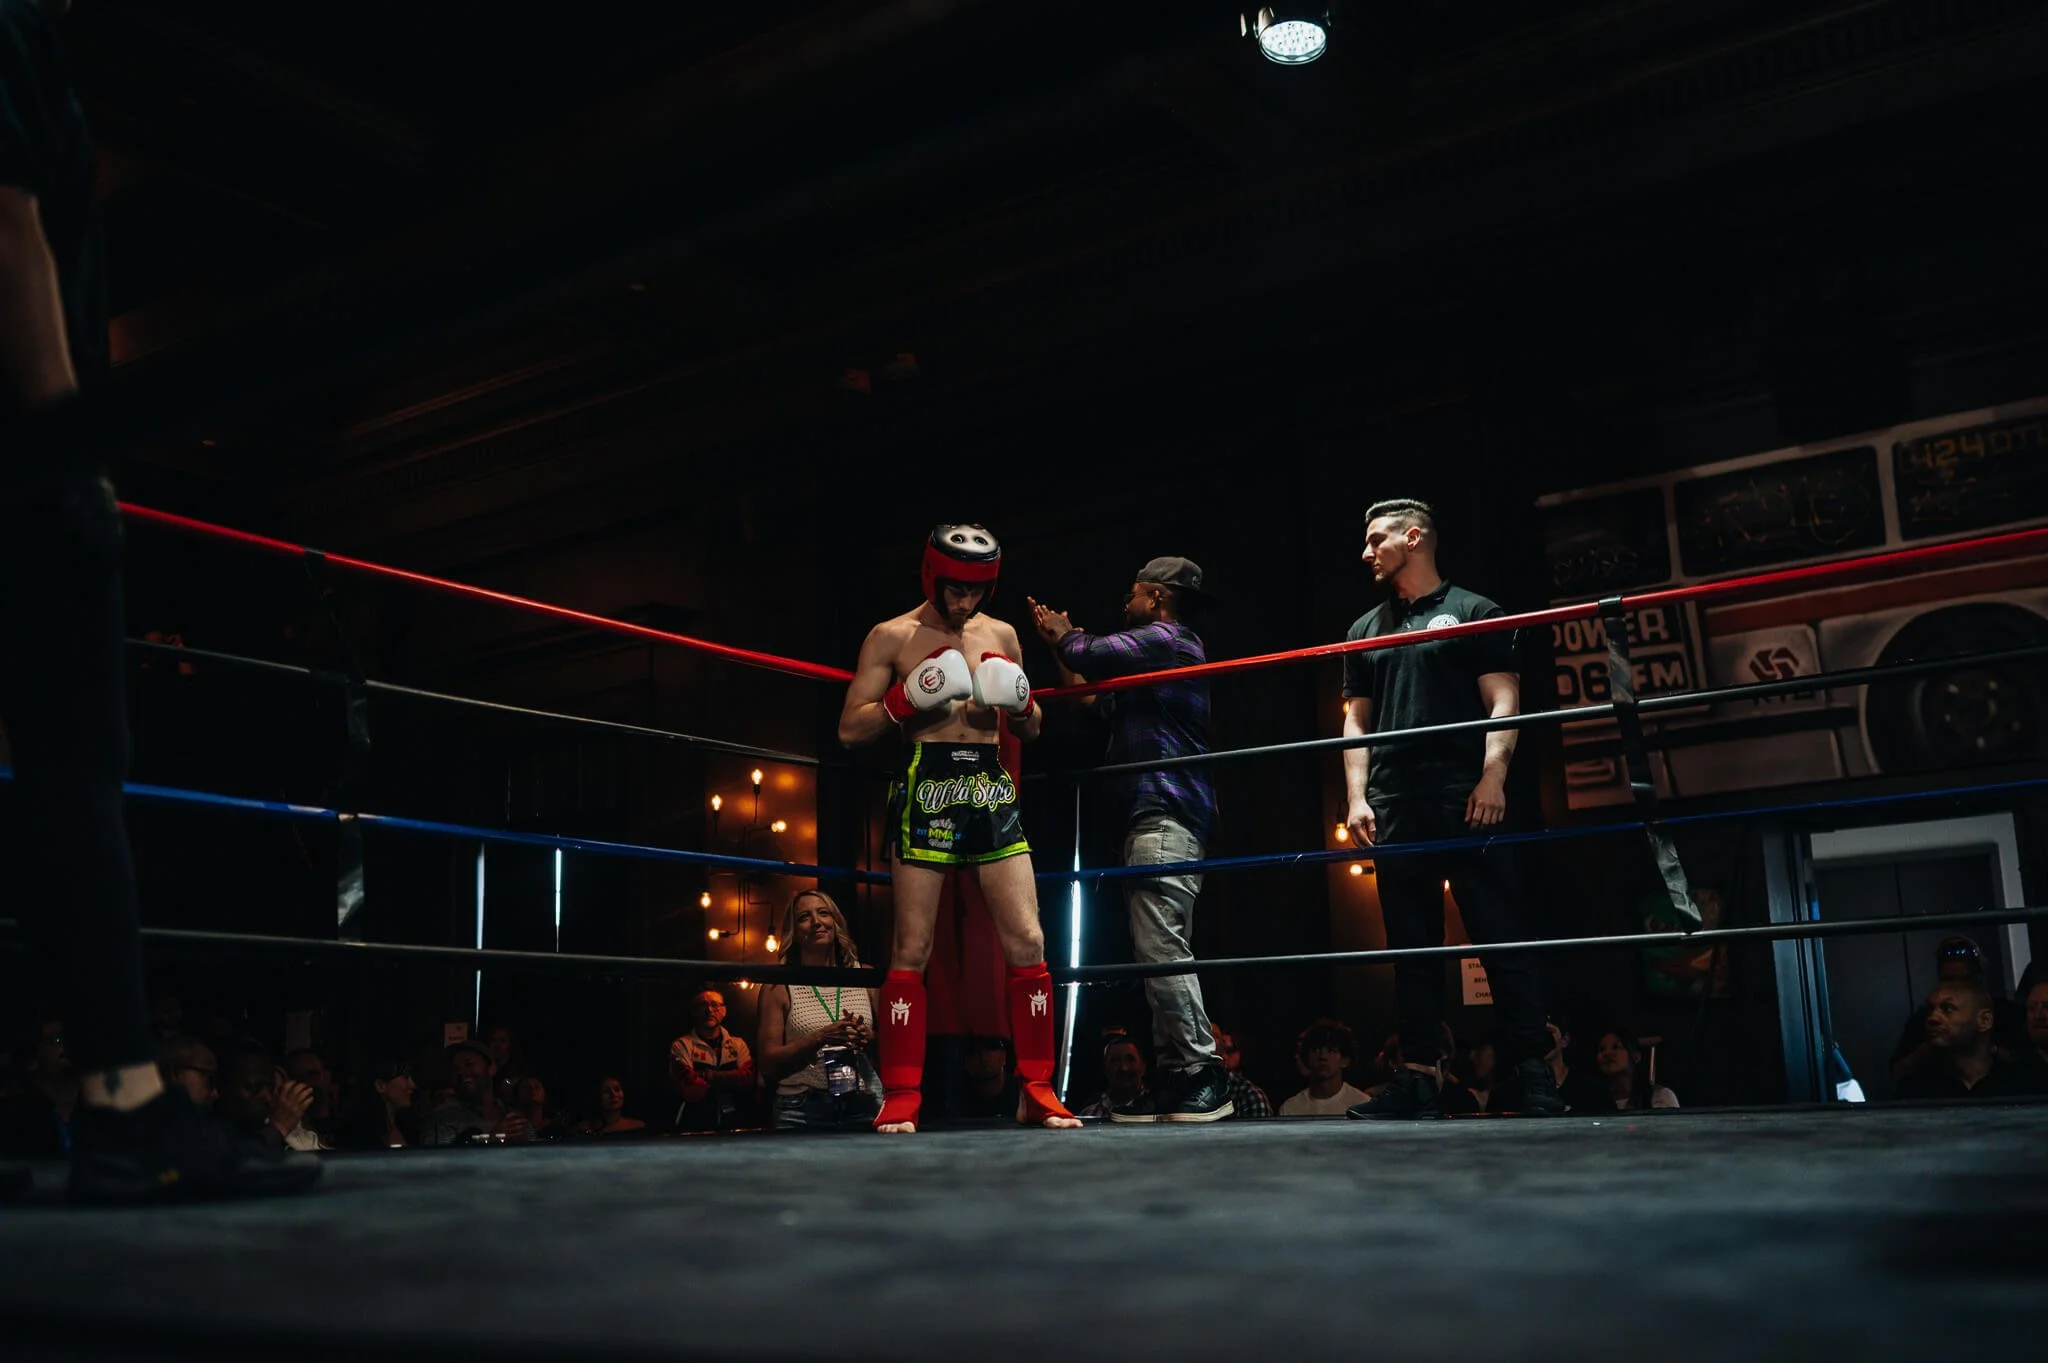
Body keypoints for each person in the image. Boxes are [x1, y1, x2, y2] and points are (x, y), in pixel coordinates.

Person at [0, 0, 318, 1202]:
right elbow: (5, 218)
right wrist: (64, 438)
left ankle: (112, 1092)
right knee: (75, 769)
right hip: (22, 465)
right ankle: (124, 1098)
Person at [837, 524, 1079, 1133]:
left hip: (991, 786)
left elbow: (1031, 730)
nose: (964, 604)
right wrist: (903, 700)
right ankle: (902, 1094)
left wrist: (1022, 704)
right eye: (954, 591)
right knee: (911, 949)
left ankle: (1038, 1089)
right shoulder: (891, 636)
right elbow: (850, 730)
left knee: (1028, 942)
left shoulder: (1000, 634)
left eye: (976, 592)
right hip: (927, 785)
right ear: (931, 577)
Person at [1338, 499, 1562, 1120]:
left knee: (1499, 935)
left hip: (1465, 797)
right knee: (1411, 948)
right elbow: (1354, 721)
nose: (1366, 552)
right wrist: (1356, 797)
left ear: (1414, 539)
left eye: (1377, 538)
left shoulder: (1473, 611)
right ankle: (1418, 1078)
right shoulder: (1363, 629)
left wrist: (1494, 778)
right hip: (1394, 803)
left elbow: (1503, 699)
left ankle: (1531, 1071)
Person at [1029, 556, 1229, 1123]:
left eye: (1133, 595)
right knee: (1154, 950)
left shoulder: (1168, 639)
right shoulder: (1152, 673)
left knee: (1162, 946)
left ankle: (1203, 1070)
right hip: (1149, 813)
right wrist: (1059, 644)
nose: (1126, 605)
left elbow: (1088, 653)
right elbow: (1091, 698)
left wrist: (1068, 636)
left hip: (1165, 807)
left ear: (1157, 599)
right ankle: (1176, 1075)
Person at [756, 889, 881, 1131]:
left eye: (823, 913)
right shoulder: (778, 986)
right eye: (804, 917)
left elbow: (895, 1048)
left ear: (835, 922)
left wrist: (869, 1037)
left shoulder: (866, 976)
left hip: (863, 1103)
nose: (816, 922)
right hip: (800, 1109)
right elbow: (767, 1064)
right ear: (795, 931)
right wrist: (820, 1037)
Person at [1888, 937, 2028, 1082]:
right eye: (1949, 980)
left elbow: (2030, 1060)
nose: (1935, 1017)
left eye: (1964, 980)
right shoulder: (1924, 1018)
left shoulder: (2008, 1013)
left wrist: (1986, 1050)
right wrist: (1931, 1047)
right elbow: (1898, 1072)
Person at [1892, 980, 2045, 1101]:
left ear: (1984, 1020)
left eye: (1947, 1009)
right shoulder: (1916, 1089)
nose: (1932, 1018)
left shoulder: (2029, 1082)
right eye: (1930, 1009)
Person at [668, 988, 757, 1131]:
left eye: (714, 1005)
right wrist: (732, 1079)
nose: (709, 1010)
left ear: (724, 1011)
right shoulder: (682, 1045)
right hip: (695, 1126)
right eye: (702, 1005)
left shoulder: (738, 1044)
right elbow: (691, 1089)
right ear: (693, 1011)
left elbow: (748, 1081)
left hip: (735, 1124)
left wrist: (708, 1075)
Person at [1592, 1030, 1679, 1110]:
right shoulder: (1592, 1101)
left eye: (1616, 1047)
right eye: (1601, 1049)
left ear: (1635, 1057)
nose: (1607, 1053)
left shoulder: (1660, 1096)